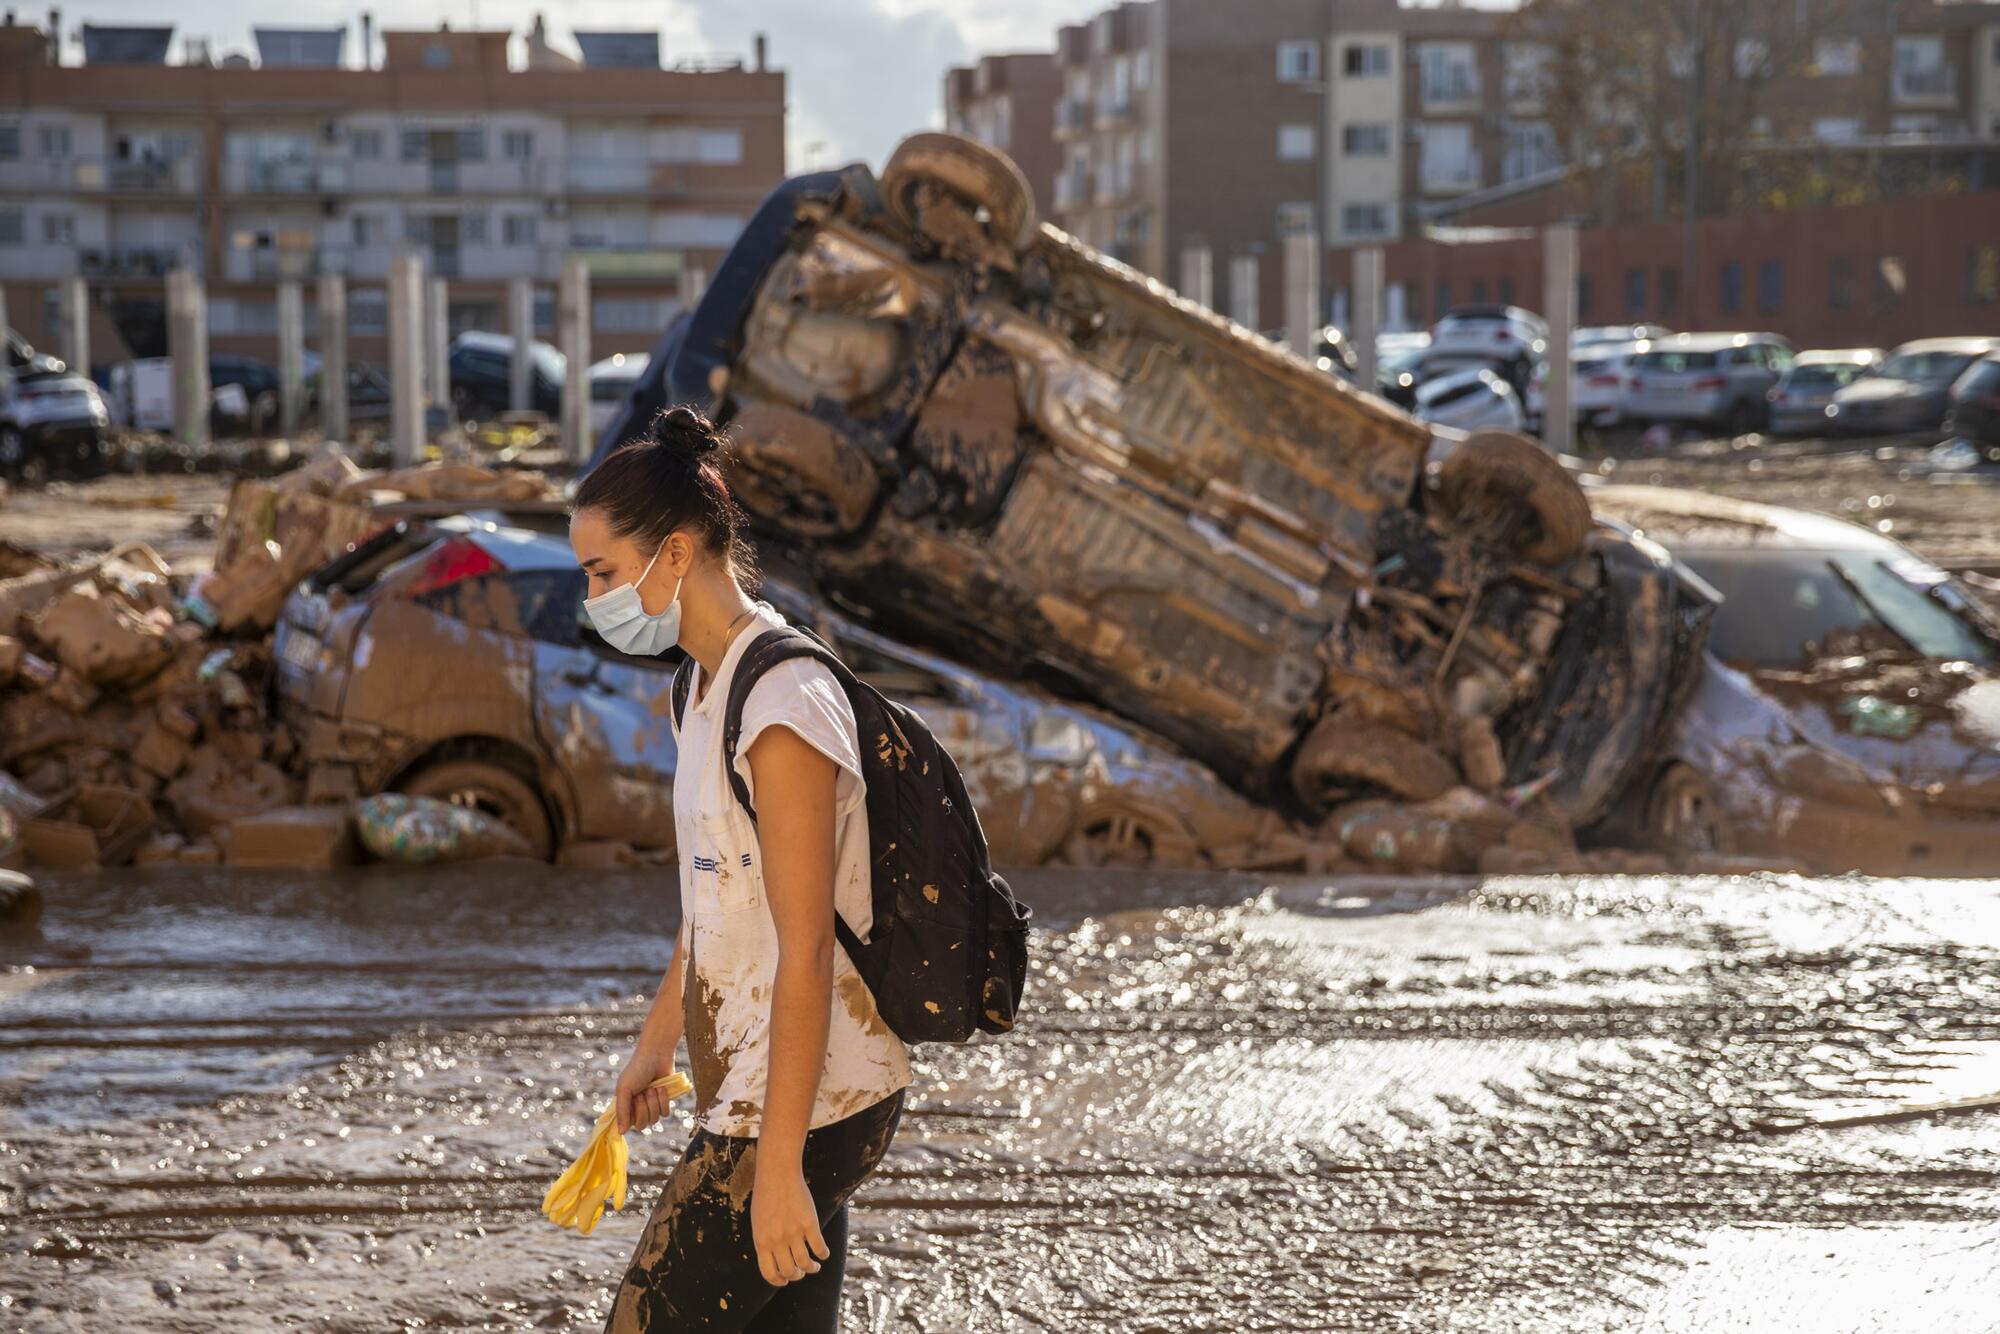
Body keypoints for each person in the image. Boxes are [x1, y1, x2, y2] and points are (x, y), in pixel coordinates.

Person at [571, 406, 912, 1332]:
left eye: (602, 572)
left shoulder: (785, 705)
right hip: (771, 1089)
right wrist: (658, 1042)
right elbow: (714, 896)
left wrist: (778, 1170)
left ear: (675, 555)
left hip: (811, 1098)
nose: (593, 596)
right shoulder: (701, 686)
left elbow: (805, 949)